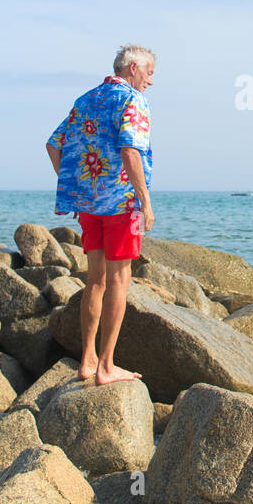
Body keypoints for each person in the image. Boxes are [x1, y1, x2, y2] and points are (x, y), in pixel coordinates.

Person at [45, 44, 155, 384]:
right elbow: (129, 150)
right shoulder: (132, 100)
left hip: (90, 205)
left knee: (95, 280)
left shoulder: (86, 99)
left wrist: (79, 187)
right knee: (120, 281)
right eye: (149, 73)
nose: (151, 81)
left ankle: (87, 359)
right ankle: (107, 367)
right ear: (133, 68)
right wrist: (145, 202)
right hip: (123, 205)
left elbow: (53, 144)